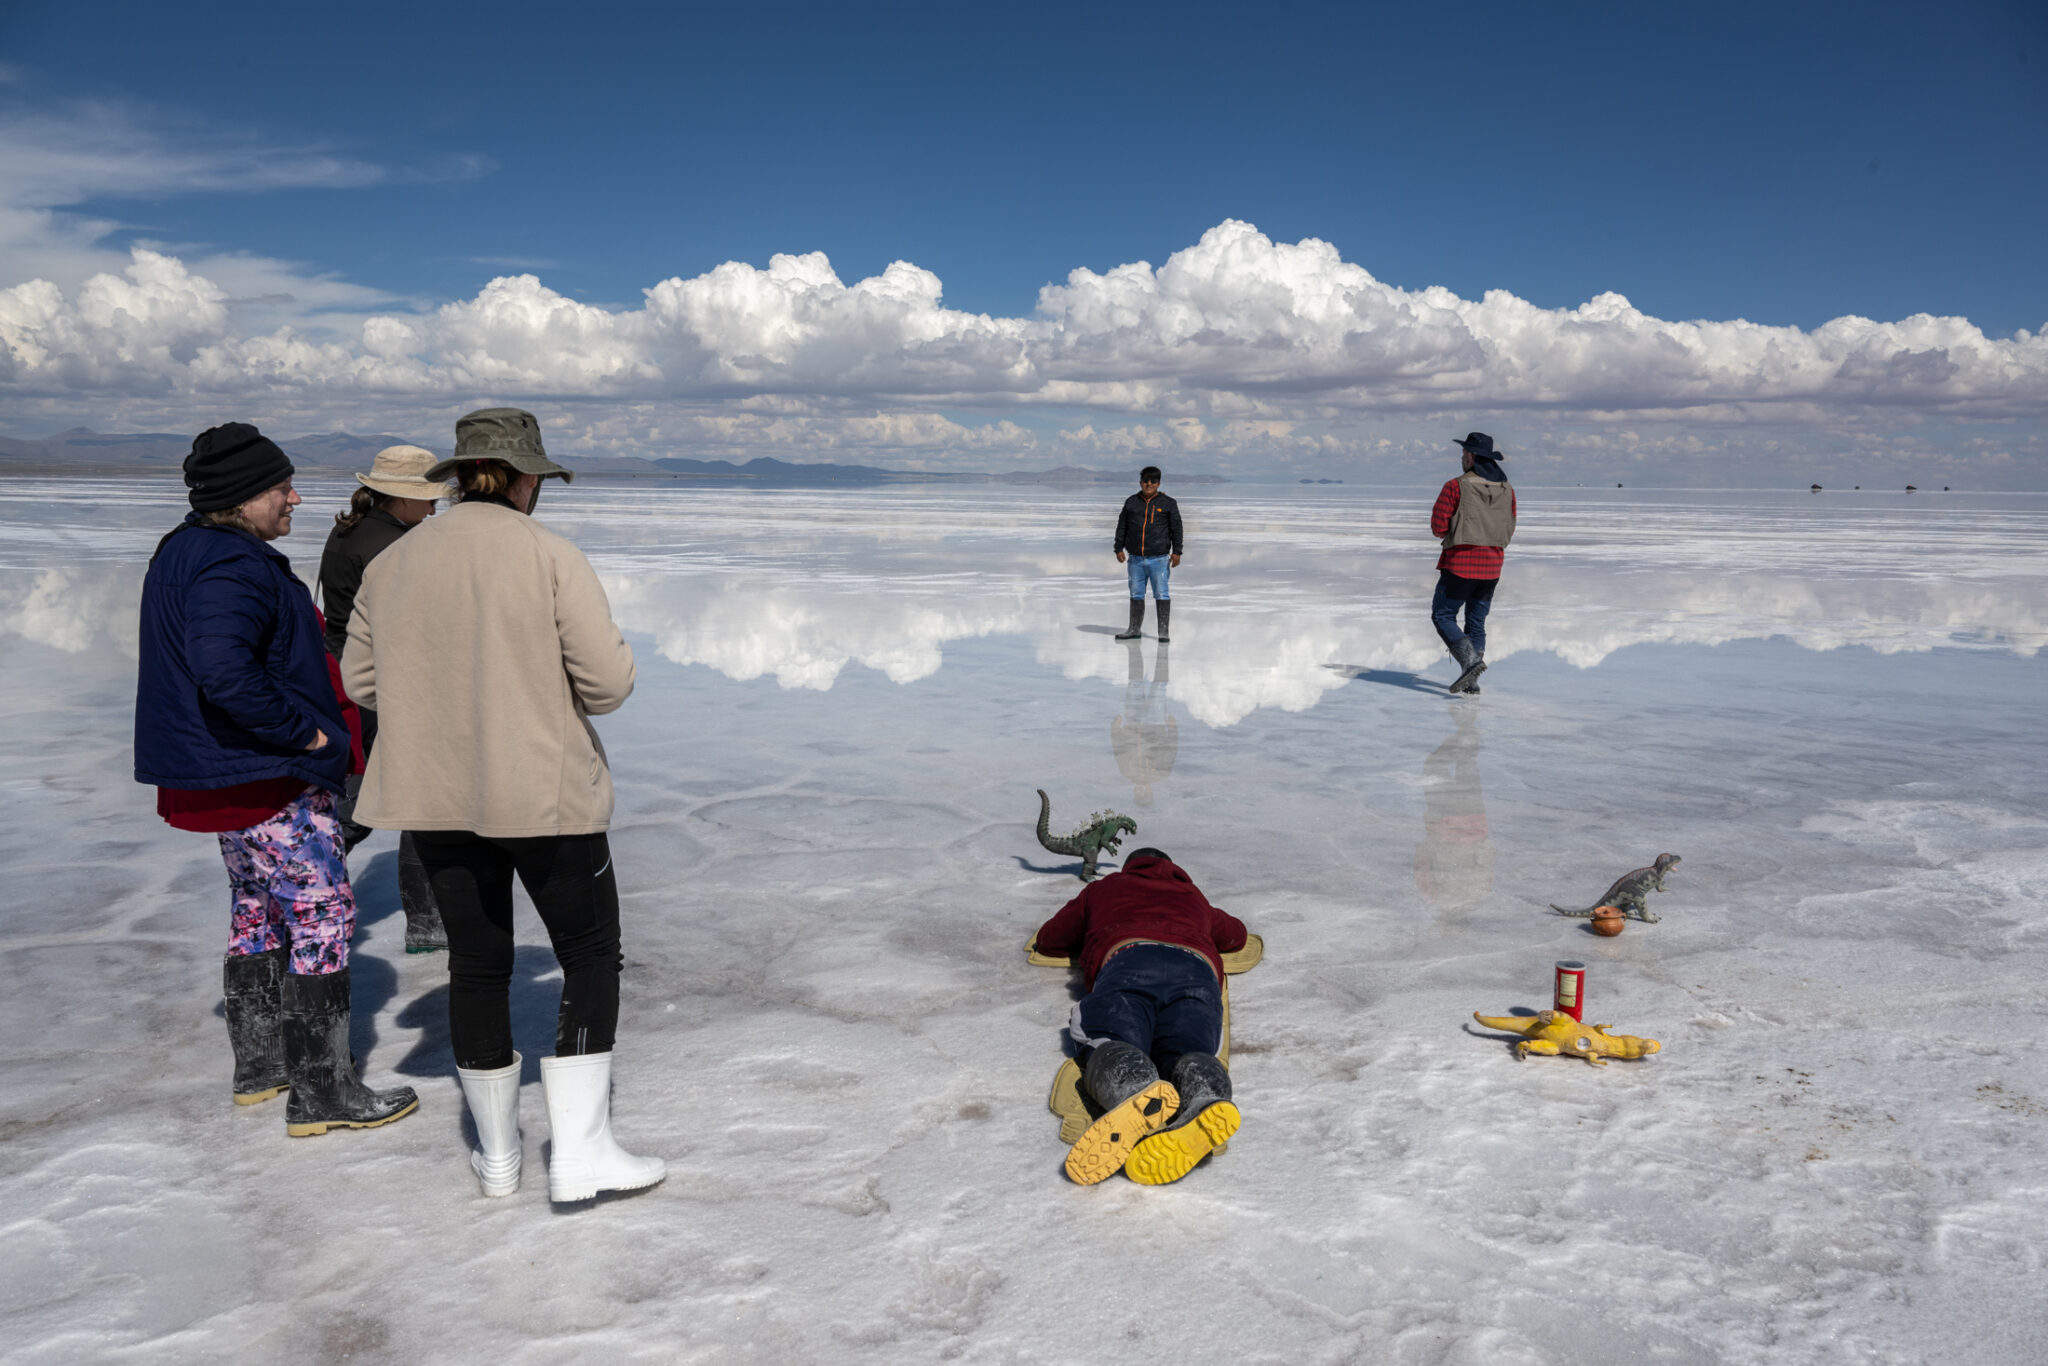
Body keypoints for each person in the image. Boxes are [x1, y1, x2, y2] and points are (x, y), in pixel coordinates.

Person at [343, 407, 664, 1203]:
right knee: (590, 955)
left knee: (477, 965)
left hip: (437, 793)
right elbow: (608, 685)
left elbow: (358, 683)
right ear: (526, 479)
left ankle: (497, 1159)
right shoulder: (549, 555)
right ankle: (582, 1155)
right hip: (545, 794)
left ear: (458, 477)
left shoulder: (394, 563)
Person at [134, 422, 419, 1137]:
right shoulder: (232, 566)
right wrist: (309, 734)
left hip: (226, 776)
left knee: (256, 908)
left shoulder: (187, 550)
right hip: (266, 775)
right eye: (279, 486)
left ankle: (262, 1067)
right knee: (323, 915)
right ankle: (322, 1092)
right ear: (239, 498)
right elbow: (223, 668)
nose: (295, 497)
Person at [1034, 848, 1245, 1186]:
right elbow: (1237, 935)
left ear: (1129, 866)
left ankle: (1134, 1088)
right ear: (1176, 869)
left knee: (1110, 1037)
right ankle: (1205, 1098)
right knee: (1188, 1054)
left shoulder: (1104, 888)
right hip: (1196, 972)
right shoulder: (1193, 896)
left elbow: (1051, 939)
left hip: (1131, 962)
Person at [318, 444, 452, 951]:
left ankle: (425, 924)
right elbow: (409, 625)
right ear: (401, 497)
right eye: (427, 497)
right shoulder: (390, 545)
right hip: (381, 685)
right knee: (384, 802)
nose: (435, 506)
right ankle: (423, 924)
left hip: (351, 678)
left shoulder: (357, 529)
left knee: (387, 796)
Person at [1429, 432, 1517, 695]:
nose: (1461, 457)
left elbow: (1437, 526)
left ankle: (1471, 663)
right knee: (1476, 623)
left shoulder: (1455, 486)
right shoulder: (1507, 489)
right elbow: (1510, 526)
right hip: (1492, 566)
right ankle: (1472, 680)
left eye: (1464, 453)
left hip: (1460, 564)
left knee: (1443, 615)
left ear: (1471, 456)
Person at [1113, 466, 1183, 641]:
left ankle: (1163, 632)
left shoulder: (1168, 503)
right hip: (1135, 559)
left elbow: (1177, 529)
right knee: (1136, 593)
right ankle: (1134, 629)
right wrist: (1118, 548)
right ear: (1140, 482)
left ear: (1158, 483)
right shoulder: (1131, 502)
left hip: (1159, 559)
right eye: (1146, 480)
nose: (1149, 484)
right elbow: (1122, 526)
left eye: (1153, 481)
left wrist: (1177, 552)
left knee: (1161, 593)